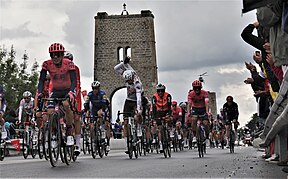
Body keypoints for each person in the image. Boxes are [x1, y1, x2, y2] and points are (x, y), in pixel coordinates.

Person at [37, 42, 76, 146]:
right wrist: (40, 93)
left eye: (58, 54)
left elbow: (74, 80)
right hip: (55, 91)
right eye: (52, 55)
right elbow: (41, 80)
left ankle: (69, 133)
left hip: (67, 90)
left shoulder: (69, 63)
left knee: (67, 105)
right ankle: (55, 133)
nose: (55, 57)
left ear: (62, 55)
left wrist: (72, 92)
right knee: (50, 112)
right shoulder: (47, 64)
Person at [120, 70, 143, 154]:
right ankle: (127, 143)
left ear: (132, 78)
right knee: (125, 122)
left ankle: (139, 128)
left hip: (136, 100)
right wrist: (124, 63)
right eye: (127, 81)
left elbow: (139, 98)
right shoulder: (127, 77)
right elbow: (117, 68)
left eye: (129, 80)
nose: (128, 82)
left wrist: (138, 109)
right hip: (128, 101)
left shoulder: (137, 83)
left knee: (138, 115)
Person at [84, 81, 111, 151]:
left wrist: (102, 110)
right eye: (93, 88)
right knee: (92, 125)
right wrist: (86, 111)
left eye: (96, 88)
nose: (95, 90)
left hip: (104, 107)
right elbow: (86, 104)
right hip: (94, 109)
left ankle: (107, 142)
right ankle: (93, 139)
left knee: (106, 123)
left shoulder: (102, 94)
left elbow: (104, 104)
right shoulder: (89, 94)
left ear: (99, 88)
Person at [64, 51, 82, 155]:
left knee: (76, 118)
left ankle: (78, 144)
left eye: (68, 60)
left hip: (74, 93)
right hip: (63, 92)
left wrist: (74, 95)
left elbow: (77, 83)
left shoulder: (75, 68)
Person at [151, 83, 172, 153]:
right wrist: (154, 117)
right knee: (160, 128)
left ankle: (169, 133)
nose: (160, 92)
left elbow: (169, 106)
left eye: (162, 91)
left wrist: (169, 114)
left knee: (168, 120)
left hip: (166, 110)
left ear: (164, 91)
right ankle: (161, 144)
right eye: (158, 91)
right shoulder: (154, 97)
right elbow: (153, 107)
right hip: (158, 111)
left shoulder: (168, 96)